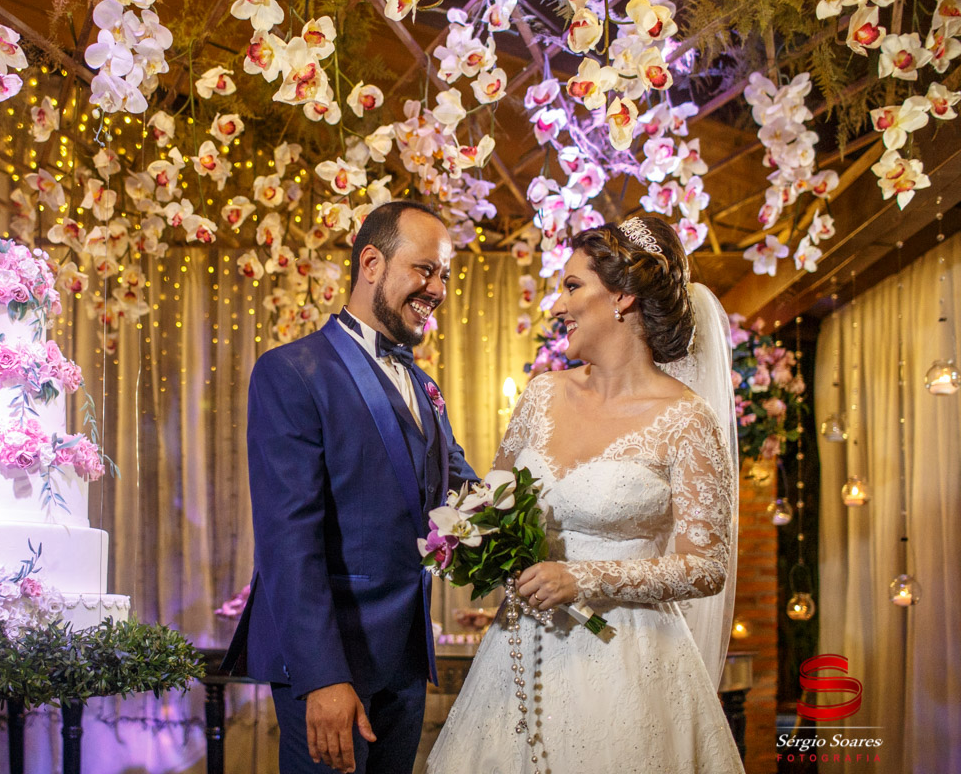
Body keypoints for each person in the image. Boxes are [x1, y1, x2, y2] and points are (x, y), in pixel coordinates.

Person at [427, 216, 745, 774]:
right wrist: (474, 543)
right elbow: (491, 505)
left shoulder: (687, 420)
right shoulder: (541, 395)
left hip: (630, 657)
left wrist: (585, 578)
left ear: (623, 296)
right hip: (522, 652)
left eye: (572, 286)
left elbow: (707, 567)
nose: (558, 304)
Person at [223, 200, 479, 774]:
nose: (438, 289)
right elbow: (288, 541)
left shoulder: (424, 384)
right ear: (371, 263)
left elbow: (464, 494)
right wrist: (323, 678)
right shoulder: (291, 371)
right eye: (425, 269)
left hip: (405, 663)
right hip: (331, 665)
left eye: (443, 275)